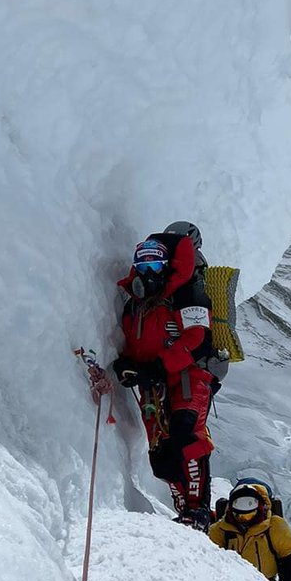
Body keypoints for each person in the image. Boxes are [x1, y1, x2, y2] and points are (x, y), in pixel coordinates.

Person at [112, 224, 220, 530]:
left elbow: (198, 338)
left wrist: (156, 367)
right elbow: (136, 344)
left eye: (155, 264)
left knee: (186, 435)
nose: (148, 271)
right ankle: (185, 508)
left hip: (189, 376)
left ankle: (197, 511)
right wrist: (126, 364)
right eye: (142, 265)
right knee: (161, 450)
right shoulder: (135, 303)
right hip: (153, 384)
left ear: (168, 265)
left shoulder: (187, 293)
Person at [208, 478, 291, 581]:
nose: (245, 520)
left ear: (260, 508)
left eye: (249, 515)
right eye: (240, 516)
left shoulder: (275, 525)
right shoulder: (220, 530)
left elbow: (290, 556)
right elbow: (209, 557)